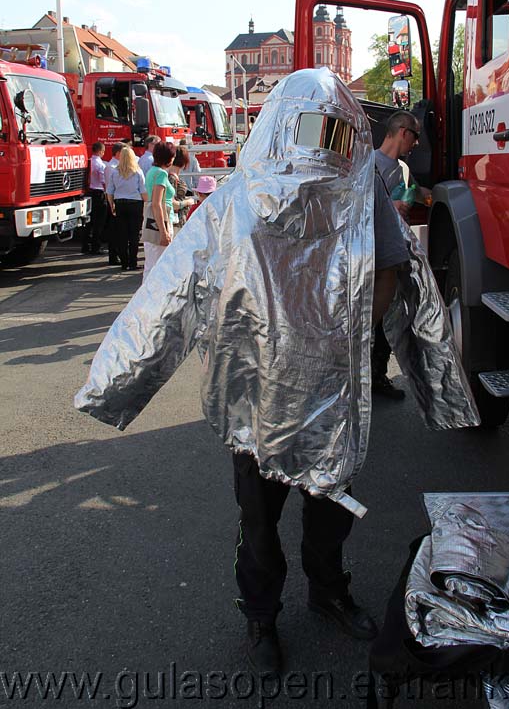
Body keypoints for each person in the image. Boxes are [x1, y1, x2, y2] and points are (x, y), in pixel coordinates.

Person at [75, 69, 410, 674]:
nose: (323, 144)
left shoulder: (363, 193)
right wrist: (119, 380)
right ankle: (262, 617)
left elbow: (392, 266)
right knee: (259, 521)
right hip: (255, 394)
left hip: (332, 393)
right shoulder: (238, 198)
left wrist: (352, 341)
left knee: (331, 506)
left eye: (335, 132)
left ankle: (329, 589)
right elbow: (176, 288)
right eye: (314, 128)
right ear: (285, 127)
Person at [372, 110, 430, 400]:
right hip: (371, 255)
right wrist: (388, 206)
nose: (416, 144)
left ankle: (377, 375)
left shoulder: (405, 171)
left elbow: (422, 195)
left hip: (394, 256)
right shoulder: (369, 164)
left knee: (387, 320)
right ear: (403, 132)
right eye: (415, 137)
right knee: (368, 318)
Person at [106, 147, 148, 271]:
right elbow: (143, 191)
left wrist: (112, 205)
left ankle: (124, 263)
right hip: (135, 204)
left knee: (122, 235)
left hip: (120, 204)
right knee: (134, 235)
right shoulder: (137, 172)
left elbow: (109, 191)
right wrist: (147, 203)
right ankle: (133, 262)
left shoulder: (115, 172)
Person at [142, 141, 176, 281]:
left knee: (151, 265)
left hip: (152, 222)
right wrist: (164, 232)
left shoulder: (152, 172)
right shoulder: (161, 174)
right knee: (159, 266)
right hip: (162, 222)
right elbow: (157, 203)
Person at [81, 142, 108, 254]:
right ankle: (95, 246)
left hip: (88, 192)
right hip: (98, 193)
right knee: (98, 222)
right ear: (101, 151)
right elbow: (103, 182)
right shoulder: (100, 165)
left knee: (88, 222)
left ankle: (85, 245)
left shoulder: (88, 161)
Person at [104, 142, 126, 266]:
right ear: (118, 153)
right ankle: (113, 256)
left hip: (117, 199)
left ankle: (117, 254)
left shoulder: (117, 166)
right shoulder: (111, 167)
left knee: (118, 230)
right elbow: (109, 187)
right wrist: (111, 204)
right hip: (113, 200)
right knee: (114, 231)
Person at [167, 147, 195, 232]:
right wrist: (188, 202)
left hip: (176, 220)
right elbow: (172, 203)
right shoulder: (172, 178)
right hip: (176, 221)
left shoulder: (171, 176)